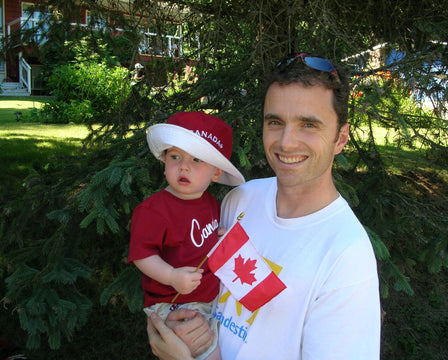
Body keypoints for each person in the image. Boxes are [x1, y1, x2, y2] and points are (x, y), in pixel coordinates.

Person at [147, 54, 381, 359]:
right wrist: (183, 326)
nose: (286, 142)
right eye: (275, 122)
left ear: (340, 139)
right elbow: (214, 303)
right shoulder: (240, 199)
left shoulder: (346, 255)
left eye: (308, 125)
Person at [129, 111, 245, 360]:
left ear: (216, 173)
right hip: (176, 302)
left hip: (209, 297)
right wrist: (171, 275)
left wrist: (220, 238)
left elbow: (204, 241)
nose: (183, 166)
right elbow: (142, 254)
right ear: (164, 162)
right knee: (208, 353)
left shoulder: (212, 203)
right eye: (175, 156)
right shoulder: (153, 210)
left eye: (196, 160)